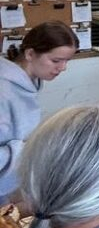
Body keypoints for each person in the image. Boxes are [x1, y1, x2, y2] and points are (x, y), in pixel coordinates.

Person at [0, 21, 78, 201]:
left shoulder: (28, 81)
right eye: (56, 60)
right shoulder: (4, 91)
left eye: (67, 61)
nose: (63, 68)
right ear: (30, 54)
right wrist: (35, 147)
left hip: (14, 181)